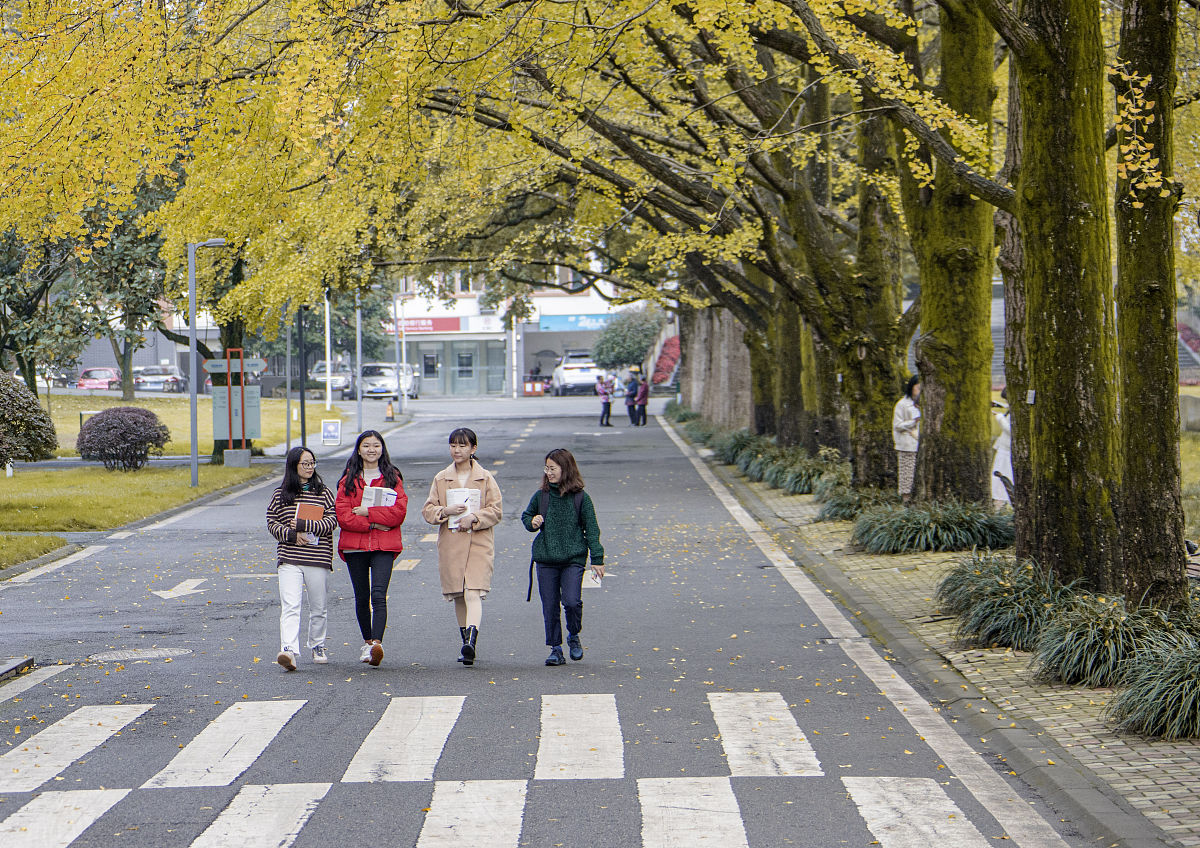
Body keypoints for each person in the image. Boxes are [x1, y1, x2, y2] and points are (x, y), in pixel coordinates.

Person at [421, 428, 503, 666]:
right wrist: (444, 511)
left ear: (473, 448)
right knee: (458, 594)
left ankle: (471, 643)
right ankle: (465, 641)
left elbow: (496, 510)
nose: (457, 450)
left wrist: (475, 518)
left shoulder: (485, 477)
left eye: (462, 445)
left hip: (479, 541)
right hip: (452, 542)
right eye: (453, 445)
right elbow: (428, 510)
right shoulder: (441, 478)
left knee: (473, 591)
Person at [521, 448, 605, 666]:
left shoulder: (581, 498)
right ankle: (555, 649)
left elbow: (592, 529)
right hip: (546, 559)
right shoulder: (541, 496)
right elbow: (527, 516)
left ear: (565, 469)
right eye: (546, 468)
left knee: (571, 601)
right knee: (550, 606)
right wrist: (532, 522)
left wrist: (597, 559)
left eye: (553, 468)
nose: (548, 473)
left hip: (572, 559)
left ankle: (573, 634)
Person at [335, 430, 409, 667]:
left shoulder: (392, 477)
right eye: (366, 445)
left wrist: (368, 512)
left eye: (376, 445)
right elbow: (344, 516)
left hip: (384, 546)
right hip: (355, 547)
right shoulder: (348, 480)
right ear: (359, 450)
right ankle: (367, 642)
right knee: (361, 596)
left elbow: (398, 512)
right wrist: (375, 524)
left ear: (382, 449)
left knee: (378, 594)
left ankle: (377, 644)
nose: (371, 450)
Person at [265, 446, 337, 671]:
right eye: (305, 463)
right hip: (290, 556)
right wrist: (291, 535)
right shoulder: (280, 494)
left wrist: (306, 525)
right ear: (293, 465)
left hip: (317, 557)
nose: (309, 467)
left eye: (312, 463)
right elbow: (272, 521)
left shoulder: (323, 492)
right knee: (290, 605)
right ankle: (288, 649)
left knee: (318, 606)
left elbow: (332, 521)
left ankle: (317, 644)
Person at [892, 375, 921, 503]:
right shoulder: (902, 404)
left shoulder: (922, 404)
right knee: (907, 475)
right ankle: (906, 500)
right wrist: (913, 422)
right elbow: (897, 425)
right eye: (918, 388)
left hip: (919, 444)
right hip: (907, 445)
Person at [991, 388, 1012, 509]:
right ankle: (999, 502)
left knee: (1002, 477)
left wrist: (999, 417)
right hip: (1003, 448)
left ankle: (1001, 503)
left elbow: (1010, 430)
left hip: (1007, 450)